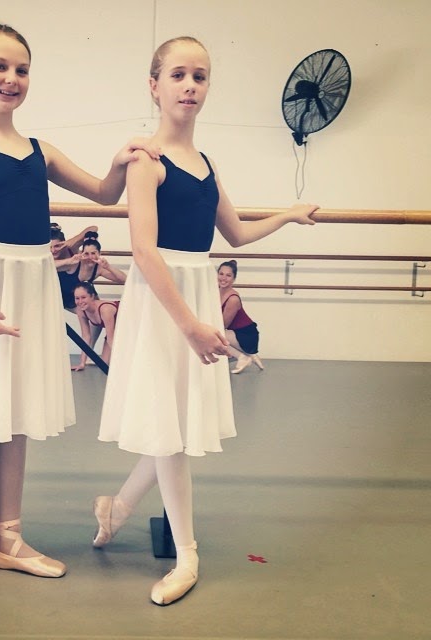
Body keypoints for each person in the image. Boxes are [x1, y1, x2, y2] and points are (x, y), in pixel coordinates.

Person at [0, 23, 159, 592]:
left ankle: (9, 538)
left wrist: (121, 160)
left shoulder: (39, 151)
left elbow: (103, 192)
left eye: (22, 70)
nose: (11, 78)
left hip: (30, 283)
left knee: (17, 414)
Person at [94, 36, 319, 606]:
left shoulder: (206, 164)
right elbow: (143, 249)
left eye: (199, 76)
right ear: (154, 86)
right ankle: (188, 555)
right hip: (164, 298)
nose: (189, 86)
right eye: (177, 75)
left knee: (174, 422)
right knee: (171, 431)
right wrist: (191, 324)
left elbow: (235, 233)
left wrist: (287, 215)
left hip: (194, 287)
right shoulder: (146, 162)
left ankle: (117, 509)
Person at [55, 230, 127, 311]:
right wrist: (69, 261)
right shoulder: (74, 263)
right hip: (65, 299)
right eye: (86, 253)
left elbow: (124, 280)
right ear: (82, 253)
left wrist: (108, 267)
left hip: (81, 297)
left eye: (93, 253)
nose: (90, 257)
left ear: (99, 254)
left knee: (103, 308)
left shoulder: (99, 268)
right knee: (93, 311)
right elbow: (49, 266)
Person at [218, 259, 264, 373]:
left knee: (215, 336)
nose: (223, 278)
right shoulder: (217, 291)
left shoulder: (233, 299)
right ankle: (250, 354)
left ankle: (242, 357)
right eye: (221, 274)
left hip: (247, 335)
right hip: (236, 333)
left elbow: (223, 325)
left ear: (234, 279)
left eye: (228, 275)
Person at [72, 281, 120, 371]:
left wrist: (121, 362)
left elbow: (111, 338)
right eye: (77, 298)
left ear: (92, 296)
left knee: (116, 363)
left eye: (83, 297)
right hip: (115, 330)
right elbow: (86, 337)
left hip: (128, 325)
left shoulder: (105, 310)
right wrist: (82, 363)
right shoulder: (80, 311)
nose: (80, 301)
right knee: (104, 364)